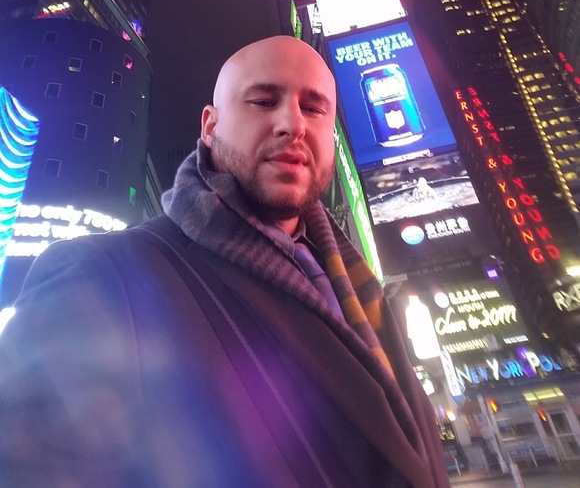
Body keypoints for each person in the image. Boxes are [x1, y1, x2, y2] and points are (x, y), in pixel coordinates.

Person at [0, 36, 449, 487]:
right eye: (263, 101)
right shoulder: (102, 274)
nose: (293, 124)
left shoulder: (358, 285)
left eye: (314, 109)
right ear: (210, 126)